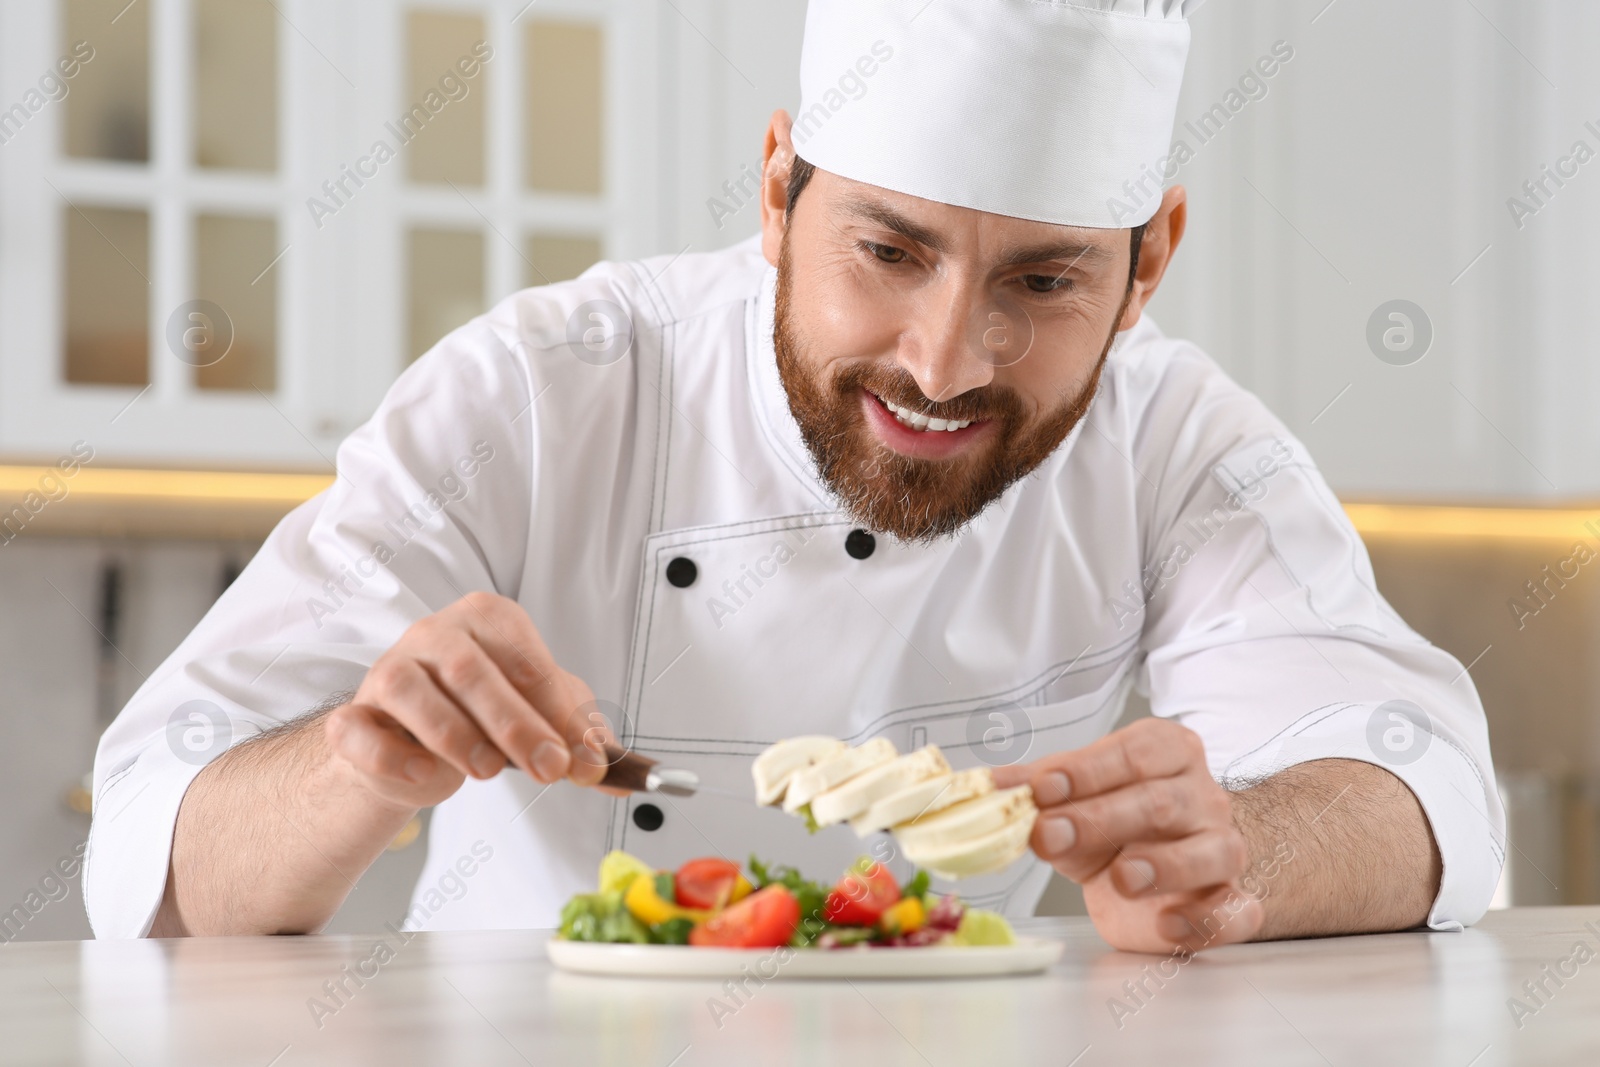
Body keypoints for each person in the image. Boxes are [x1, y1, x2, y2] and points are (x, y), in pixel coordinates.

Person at [89, 0, 1502, 955]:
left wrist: (1241, 855)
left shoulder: (1178, 444)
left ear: (1153, 262)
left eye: (1046, 278)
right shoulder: (536, 391)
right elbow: (156, 872)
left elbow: (1422, 782)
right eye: (888, 253)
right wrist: (358, 767)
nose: (947, 361)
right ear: (777, 191)